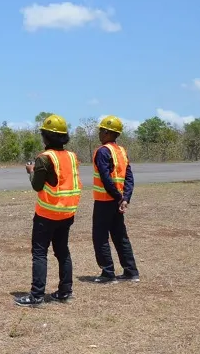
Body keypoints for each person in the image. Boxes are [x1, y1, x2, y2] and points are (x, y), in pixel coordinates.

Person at [15, 114, 82, 307]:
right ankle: (65, 291)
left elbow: (37, 186)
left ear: (46, 136)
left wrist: (31, 171)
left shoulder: (44, 159)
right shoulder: (72, 156)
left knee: (39, 253)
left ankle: (36, 295)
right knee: (62, 251)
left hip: (47, 214)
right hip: (67, 212)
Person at [91, 115, 140, 283]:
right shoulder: (121, 151)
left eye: (100, 130)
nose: (99, 133)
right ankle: (131, 271)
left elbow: (106, 179)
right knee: (120, 236)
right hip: (117, 201)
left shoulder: (103, 151)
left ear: (106, 132)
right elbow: (129, 178)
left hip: (105, 201)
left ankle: (108, 273)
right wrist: (125, 198)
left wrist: (119, 198)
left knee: (100, 236)